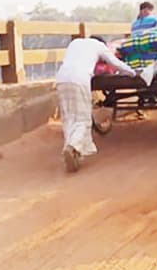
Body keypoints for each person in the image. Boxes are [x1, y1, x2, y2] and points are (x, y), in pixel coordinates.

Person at [55, 35, 137, 172]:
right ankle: (72, 146)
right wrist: (132, 72)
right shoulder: (99, 46)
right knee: (83, 119)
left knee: (68, 117)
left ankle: (72, 153)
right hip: (79, 79)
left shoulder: (75, 43)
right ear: (103, 43)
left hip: (61, 78)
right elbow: (114, 63)